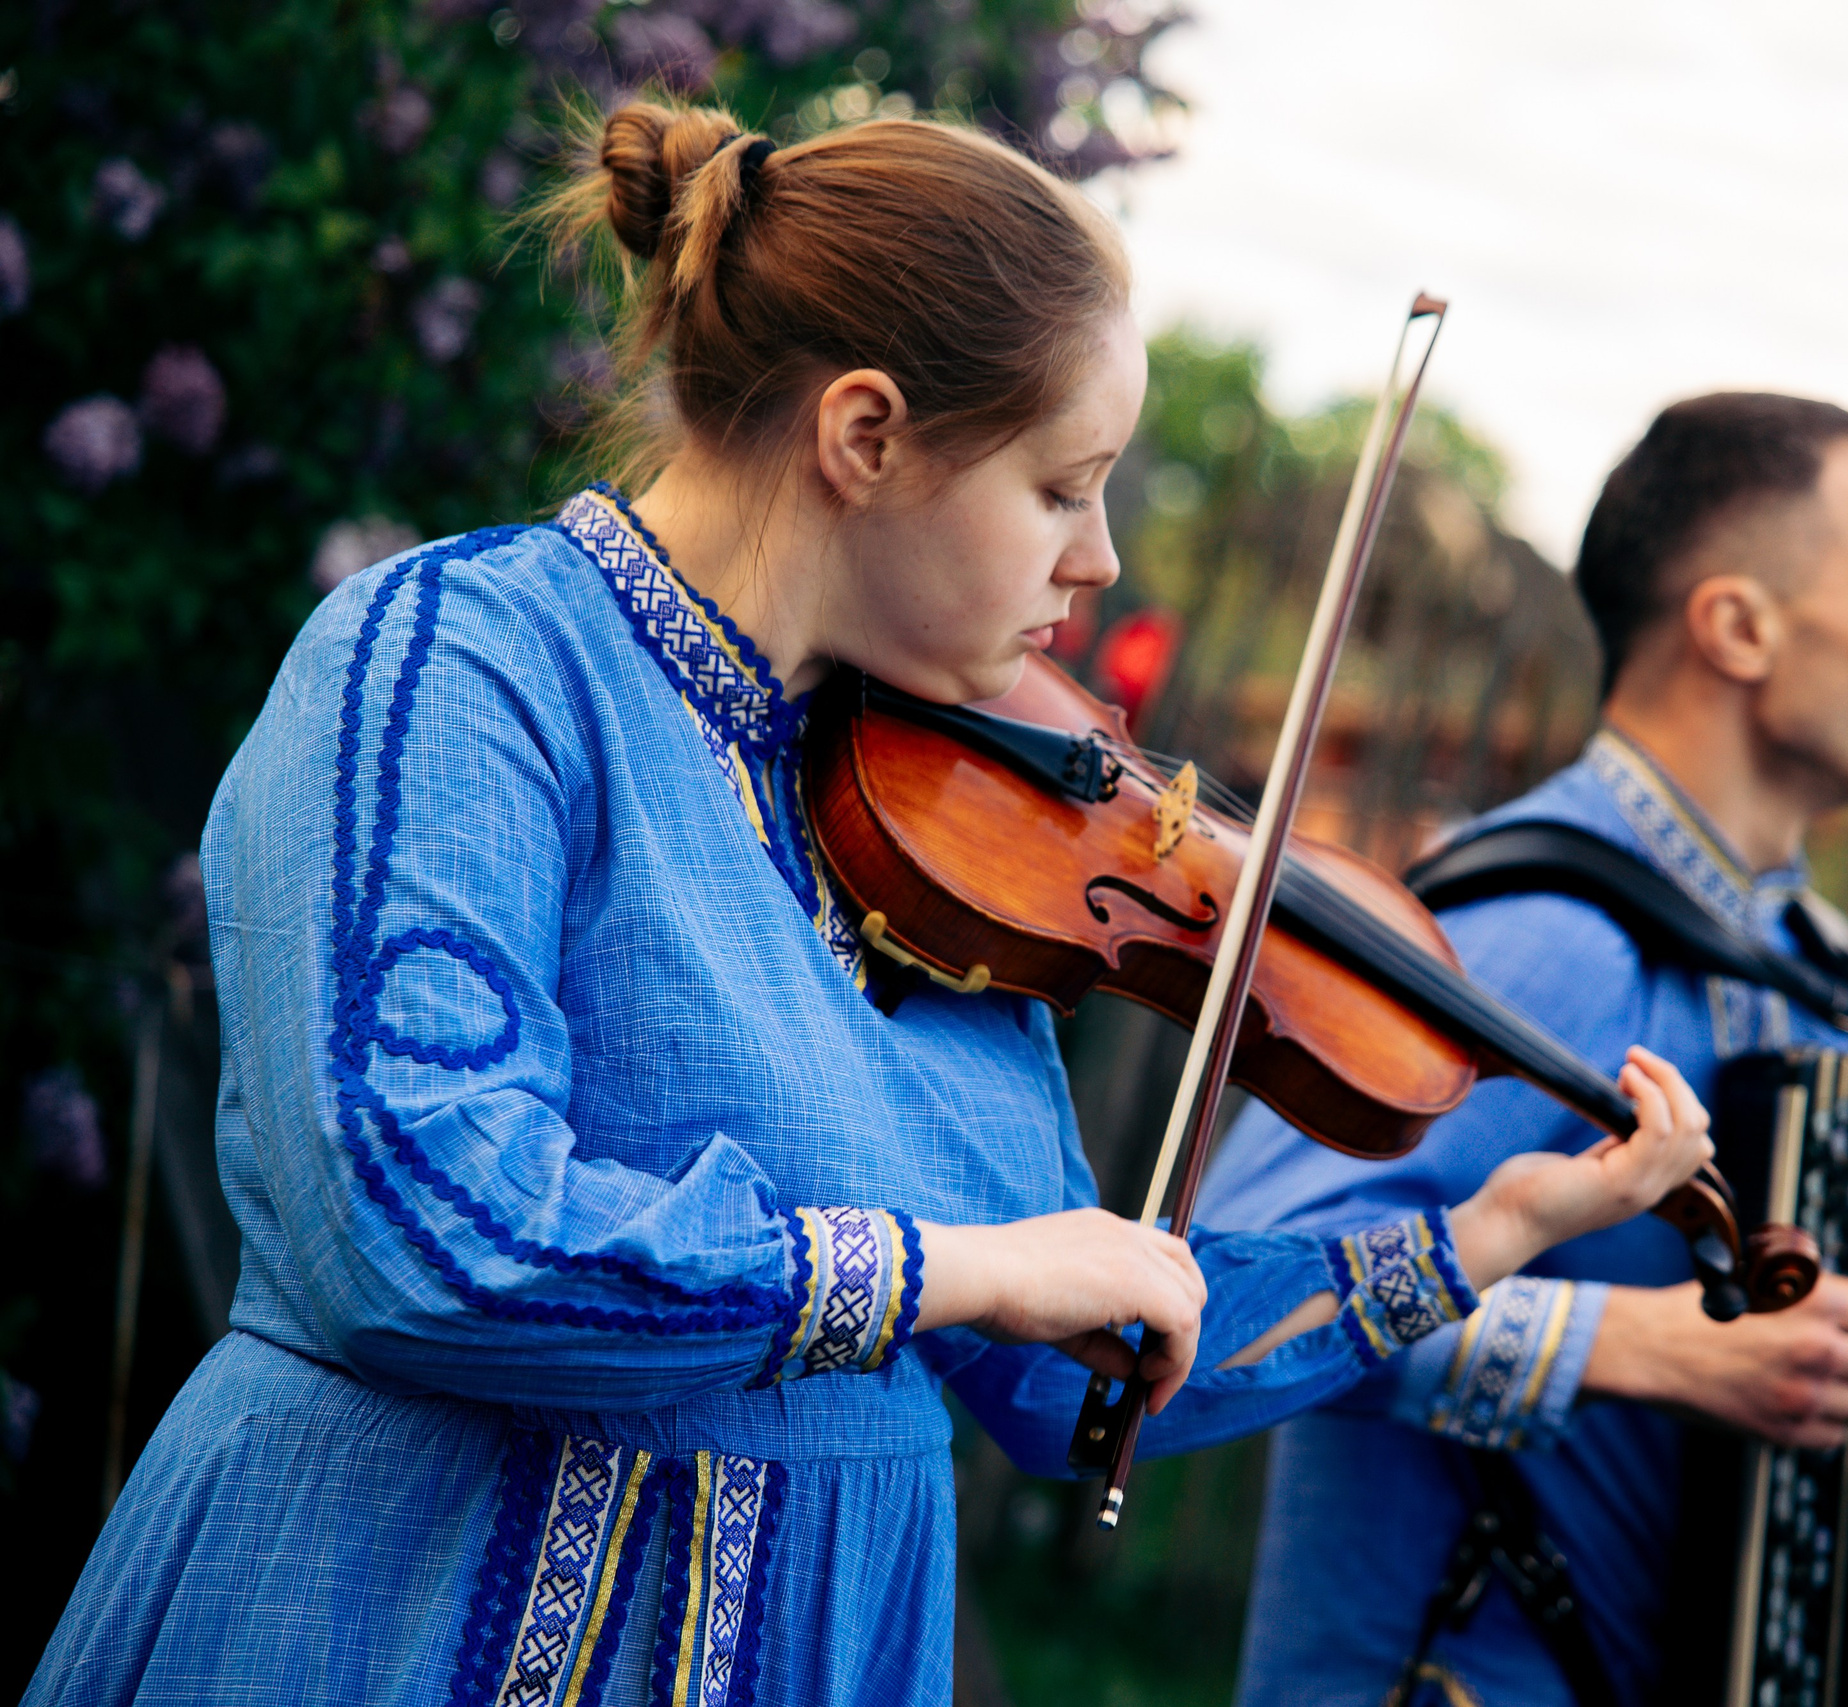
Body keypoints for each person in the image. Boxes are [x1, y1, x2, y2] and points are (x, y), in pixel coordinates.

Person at [26, 103, 1717, 1707]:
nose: (1103, 557)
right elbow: (419, 1224)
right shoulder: (468, 659)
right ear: (865, 433)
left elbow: (1075, 1364)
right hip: (386, 1620)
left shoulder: (944, 850)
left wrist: (1487, 1233)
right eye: (1063, 487)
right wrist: (944, 1270)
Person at [1199, 392, 1848, 1706]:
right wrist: (1643, 1343)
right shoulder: (1546, 935)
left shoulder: (1813, 955)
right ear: (1737, 625)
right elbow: (1224, 1292)